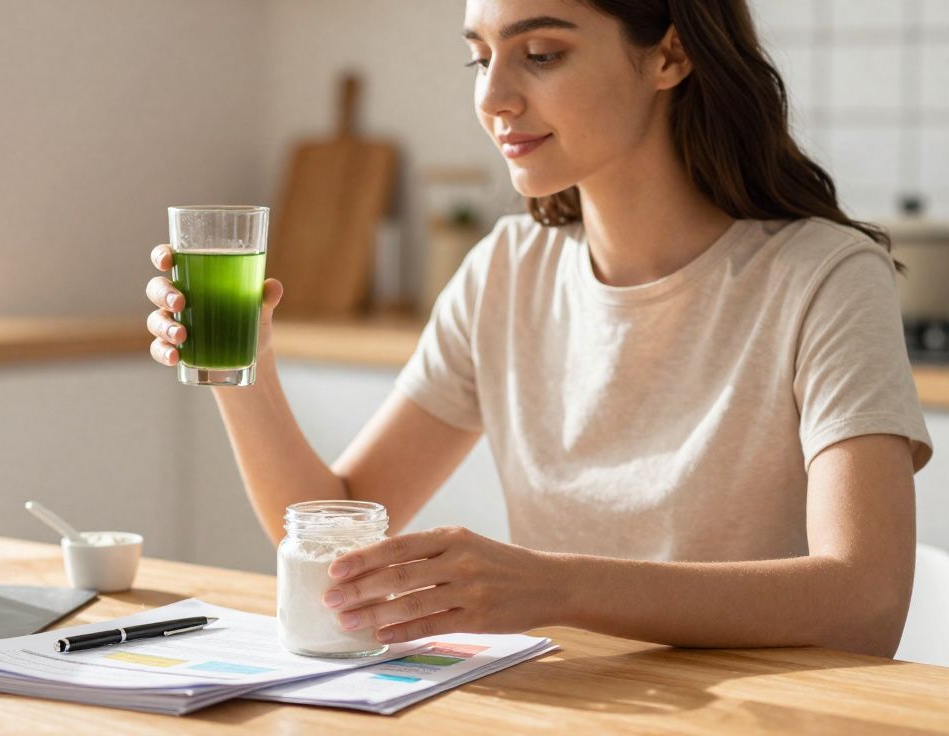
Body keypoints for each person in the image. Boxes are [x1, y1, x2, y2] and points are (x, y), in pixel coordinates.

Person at [143, 0, 932, 658]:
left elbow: (863, 599)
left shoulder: (824, 276)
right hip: (563, 707)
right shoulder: (508, 269)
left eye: (542, 53)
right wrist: (245, 364)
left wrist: (556, 587)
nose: (493, 97)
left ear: (670, 55)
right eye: (479, 57)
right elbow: (334, 519)